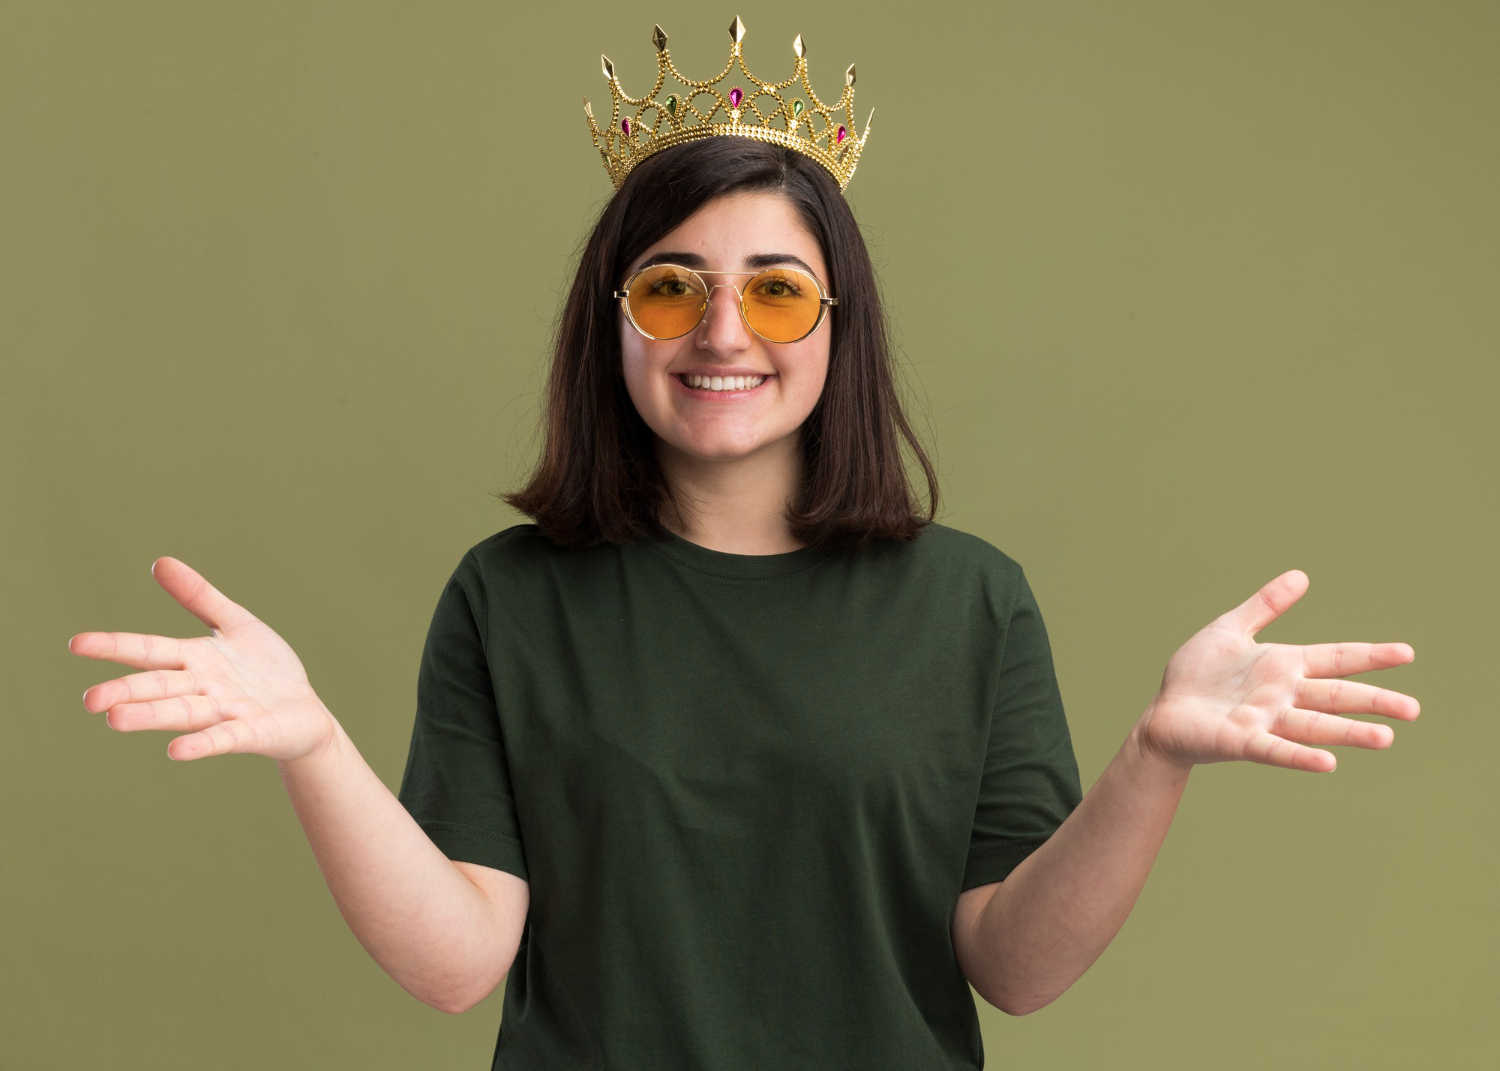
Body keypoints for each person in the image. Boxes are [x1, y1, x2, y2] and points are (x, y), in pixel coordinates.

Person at [66, 17, 1422, 1071]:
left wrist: (1153, 760)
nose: (723, 334)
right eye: (674, 287)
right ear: (615, 322)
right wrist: (313, 745)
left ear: (838, 325)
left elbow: (1015, 965)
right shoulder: (511, 598)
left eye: (775, 292)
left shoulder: (969, 601)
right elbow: (457, 962)